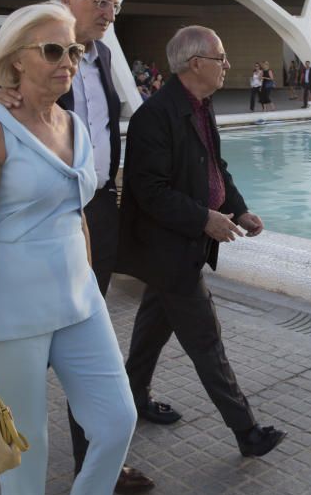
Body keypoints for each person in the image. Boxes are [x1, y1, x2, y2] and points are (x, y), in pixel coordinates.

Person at [0, 0, 161, 495]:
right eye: (51, 52)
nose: (67, 61)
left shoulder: (75, 125)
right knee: (27, 452)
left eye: (72, 52)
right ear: (15, 59)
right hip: (13, 309)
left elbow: (76, 208)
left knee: (117, 421)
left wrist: (88, 278)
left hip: (77, 298)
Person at [118, 26, 287, 459]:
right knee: (207, 343)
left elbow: (215, 169)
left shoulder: (200, 106)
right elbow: (149, 191)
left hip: (181, 248)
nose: (228, 65)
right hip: (170, 249)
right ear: (196, 64)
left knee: (151, 332)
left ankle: (131, 399)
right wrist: (204, 219)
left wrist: (239, 208)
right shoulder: (154, 117)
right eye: (221, 57)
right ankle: (247, 431)